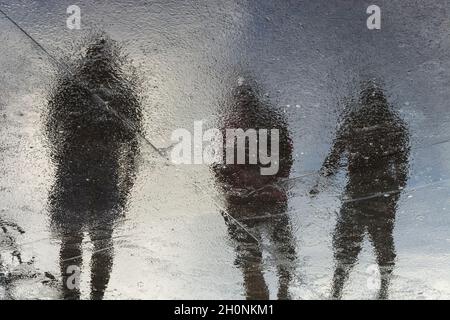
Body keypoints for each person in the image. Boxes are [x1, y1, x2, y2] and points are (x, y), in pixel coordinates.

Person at [311, 80, 410, 299]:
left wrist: (319, 183)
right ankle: (383, 290)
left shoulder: (353, 121)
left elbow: (335, 157)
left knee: (348, 242)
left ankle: (337, 291)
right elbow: (403, 165)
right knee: (383, 240)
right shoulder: (394, 125)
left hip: (356, 193)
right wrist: (395, 193)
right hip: (381, 193)